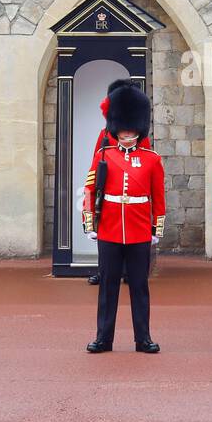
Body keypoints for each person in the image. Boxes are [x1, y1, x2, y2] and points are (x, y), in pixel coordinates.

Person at [83, 83, 164, 354]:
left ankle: (143, 339)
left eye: (132, 129)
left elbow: (158, 197)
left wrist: (157, 228)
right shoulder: (104, 155)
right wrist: (90, 223)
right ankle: (103, 338)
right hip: (109, 229)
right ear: (116, 127)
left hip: (139, 229)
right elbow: (90, 188)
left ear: (139, 128)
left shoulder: (151, 159)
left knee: (139, 288)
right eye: (124, 129)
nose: (128, 134)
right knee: (108, 288)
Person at [84, 78, 152, 286]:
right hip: (109, 194)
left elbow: (147, 163)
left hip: (132, 198)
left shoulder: (139, 138)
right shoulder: (104, 136)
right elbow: (95, 164)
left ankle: (129, 271)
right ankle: (103, 270)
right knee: (106, 237)